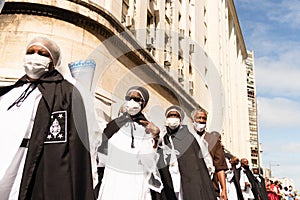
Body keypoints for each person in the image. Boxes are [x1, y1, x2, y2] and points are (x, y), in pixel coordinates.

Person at [0, 36, 95, 199]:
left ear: (53, 61)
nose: (34, 57)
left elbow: (75, 143)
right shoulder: (11, 92)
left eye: (42, 53)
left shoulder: (66, 93)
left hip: (31, 161)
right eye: (31, 52)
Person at [97, 86, 162, 200]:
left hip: (134, 179)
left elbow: (148, 159)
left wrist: (155, 137)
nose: (132, 101)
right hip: (113, 178)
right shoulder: (114, 125)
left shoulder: (146, 127)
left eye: (136, 99)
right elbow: (101, 152)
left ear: (143, 103)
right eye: (129, 98)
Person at [153, 105, 216, 200]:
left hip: (188, 182)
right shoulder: (163, 139)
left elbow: (206, 163)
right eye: (170, 115)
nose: (173, 118)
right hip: (170, 183)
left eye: (175, 116)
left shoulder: (190, 138)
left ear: (180, 119)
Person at [191, 108, 228, 200]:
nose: (201, 120)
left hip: (210, 187)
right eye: (199, 118)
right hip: (190, 187)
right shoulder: (187, 138)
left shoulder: (213, 140)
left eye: (204, 118)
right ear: (193, 119)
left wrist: (223, 189)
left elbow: (220, 168)